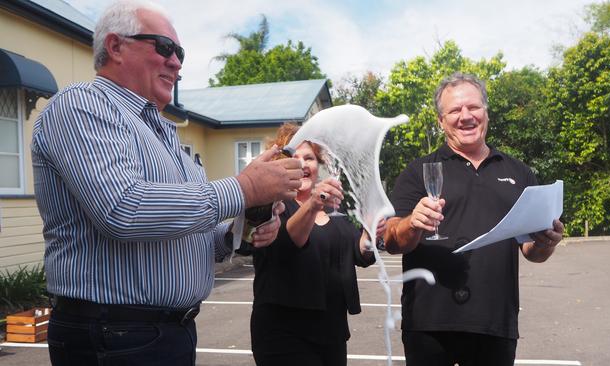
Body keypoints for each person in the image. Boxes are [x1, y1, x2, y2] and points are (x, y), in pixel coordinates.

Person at [30, 1, 302, 365]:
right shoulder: (82, 106)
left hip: (166, 333)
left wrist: (243, 225)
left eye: (180, 53)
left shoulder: (165, 133)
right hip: (114, 335)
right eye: (164, 47)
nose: (176, 62)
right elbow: (124, 210)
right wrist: (245, 189)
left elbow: (195, 233)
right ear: (115, 47)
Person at [383, 72, 565, 366]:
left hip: (494, 322)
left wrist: (547, 243)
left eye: (473, 107)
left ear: (486, 113)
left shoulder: (519, 173)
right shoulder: (419, 170)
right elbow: (391, 239)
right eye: (454, 110)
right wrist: (412, 223)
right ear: (441, 121)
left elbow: (533, 252)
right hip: (429, 324)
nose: (465, 116)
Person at [247, 123, 384, 366]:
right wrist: (314, 203)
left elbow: (357, 251)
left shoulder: (333, 209)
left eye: (309, 158)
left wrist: (370, 233)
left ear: (319, 164)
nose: (302, 165)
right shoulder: (272, 207)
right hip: (284, 333)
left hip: (331, 331)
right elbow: (286, 243)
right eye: (294, 158)